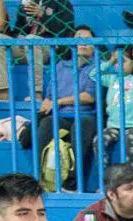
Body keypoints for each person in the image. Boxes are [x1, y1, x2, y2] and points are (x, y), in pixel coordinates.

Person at [34, 24, 99, 193]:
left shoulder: (97, 66)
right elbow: (49, 95)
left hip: (85, 115)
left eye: (88, 40)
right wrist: (48, 102)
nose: (83, 43)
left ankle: (72, 184)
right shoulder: (61, 66)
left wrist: (59, 101)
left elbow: (88, 97)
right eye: (79, 39)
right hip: (61, 115)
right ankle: (38, 180)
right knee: (46, 124)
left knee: (82, 126)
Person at [0, 0, 76, 100]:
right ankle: (4, 91)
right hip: (25, 45)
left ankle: (36, 93)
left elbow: (66, 29)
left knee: (32, 39)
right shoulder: (27, 3)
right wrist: (18, 36)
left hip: (50, 48)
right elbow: (19, 30)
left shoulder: (62, 3)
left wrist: (43, 14)